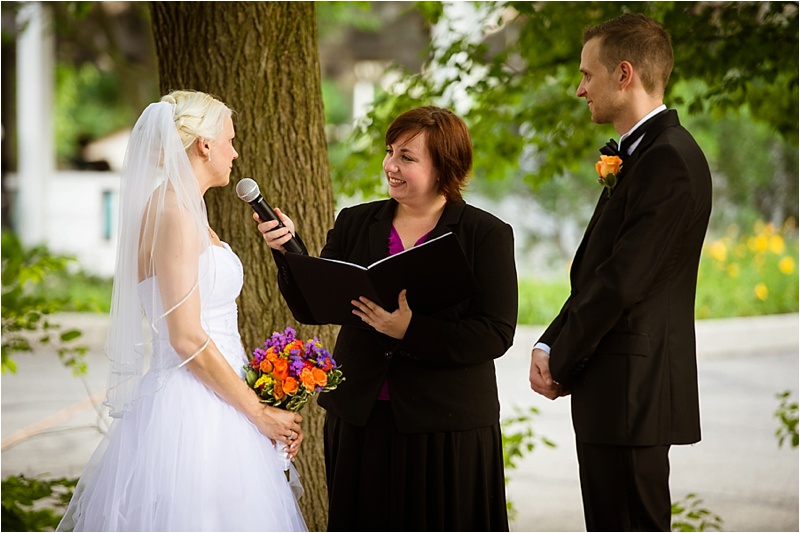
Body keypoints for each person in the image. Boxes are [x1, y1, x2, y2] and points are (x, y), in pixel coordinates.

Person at [257, 106, 518, 531]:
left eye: (407, 157)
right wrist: (288, 252)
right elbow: (312, 306)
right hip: (360, 418)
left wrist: (410, 330)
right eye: (390, 151)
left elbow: (495, 333)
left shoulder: (485, 234)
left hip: (445, 427)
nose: (390, 165)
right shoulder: (356, 222)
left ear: (444, 168)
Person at [58, 90, 307, 532]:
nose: (235, 152)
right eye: (229, 139)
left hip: (222, 395)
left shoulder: (186, 209)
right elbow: (187, 336)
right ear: (204, 145)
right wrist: (258, 411)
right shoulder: (173, 211)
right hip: (194, 410)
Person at [528, 13, 713, 532]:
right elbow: (602, 270)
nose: (579, 88)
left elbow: (623, 281)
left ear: (624, 74)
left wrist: (561, 357)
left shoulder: (669, 160)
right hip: (616, 389)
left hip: (634, 389)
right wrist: (548, 343)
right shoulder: (645, 155)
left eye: (588, 75)